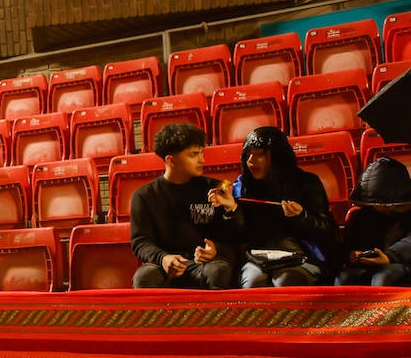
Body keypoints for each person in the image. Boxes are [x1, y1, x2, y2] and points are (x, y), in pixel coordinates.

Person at [129, 122, 243, 290]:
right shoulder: (144, 196)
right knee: (144, 276)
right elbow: (140, 241)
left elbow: (233, 236)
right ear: (171, 160)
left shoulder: (215, 189)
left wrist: (231, 210)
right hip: (166, 265)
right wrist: (163, 258)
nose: (202, 159)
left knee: (219, 270)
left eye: (201, 153)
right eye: (193, 154)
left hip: (206, 265)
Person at [232, 127, 337, 287]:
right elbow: (240, 234)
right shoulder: (243, 187)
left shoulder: (307, 183)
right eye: (248, 155)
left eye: (259, 154)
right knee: (253, 283)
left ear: (278, 157)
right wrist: (230, 210)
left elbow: (326, 230)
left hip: (301, 255)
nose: (251, 161)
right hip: (258, 258)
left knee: (285, 282)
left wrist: (302, 217)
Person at [337, 157, 411, 287]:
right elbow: (354, 241)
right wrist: (356, 255)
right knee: (344, 278)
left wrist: (390, 257)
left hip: (404, 262)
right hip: (373, 263)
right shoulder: (365, 214)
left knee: (383, 277)